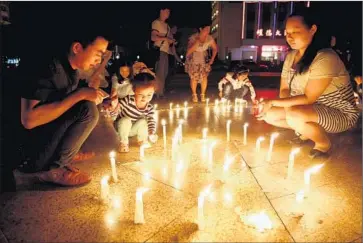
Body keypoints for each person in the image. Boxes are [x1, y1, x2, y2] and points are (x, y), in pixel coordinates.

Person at [256, 9, 360, 159]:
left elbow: (309, 98)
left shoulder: (325, 57)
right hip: (308, 109)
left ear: (312, 29)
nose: (289, 37)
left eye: (295, 31)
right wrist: (281, 105)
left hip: (339, 112)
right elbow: (284, 89)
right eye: (287, 32)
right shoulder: (291, 56)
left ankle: (323, 144)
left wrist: (273, 102)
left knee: (293, 115)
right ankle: (305, 130)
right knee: (269, 114)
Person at [15, 29, 109, 187]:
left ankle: (62, 159)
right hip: (26, 156)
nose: (99, 61)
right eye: (98, 53)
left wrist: (94, 97)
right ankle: (55, 169)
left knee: (87, 105)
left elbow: (65, 104)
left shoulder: (71, 71)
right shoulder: (46, 66)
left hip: (41, 144)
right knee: (87, 109)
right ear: (77, 48)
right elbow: (28, 120)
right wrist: (80, 95)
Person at [114, 73, 158, 153]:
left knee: (144, 121)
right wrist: (113, 108)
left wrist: (151, 132)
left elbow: (151, 120)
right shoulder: (128, 100)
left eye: (149, 95)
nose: (144, 98)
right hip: (121, 128)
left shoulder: (149, 108)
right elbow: (118, 109)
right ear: (134, 90)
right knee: (125, 120)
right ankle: (124, 143)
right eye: (141, 95)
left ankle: (142, 140)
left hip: (133, 129)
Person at [185, 24, 218, 103]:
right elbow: (188, 52)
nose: (207, 32)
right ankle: (194, 94)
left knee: (204, 77)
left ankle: (203, 94)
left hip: (204, 59)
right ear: (201, 29)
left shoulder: (209, 38)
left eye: (209, 30)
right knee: (194, 77)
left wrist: (212, 58)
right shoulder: (193, 37)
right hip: (194, 58)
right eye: (206, 29)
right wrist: (197, 43)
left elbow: (215, 48)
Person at [151, 6, 175, 98]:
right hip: (159, 50)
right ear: (161, 11)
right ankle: (158, 93)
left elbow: (169, 38)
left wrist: (171, 41)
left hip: (166, 51)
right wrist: (165, 38)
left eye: (169, 12)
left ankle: (160, 91)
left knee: (164, 72)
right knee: (160, 72)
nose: (168, 14)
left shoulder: (167, 25)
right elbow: (153, 37)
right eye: (167, 11)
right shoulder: (156, 23)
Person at [165, 25, 182, 93]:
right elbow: (173, 51)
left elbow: (174, 51)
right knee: (168, 73)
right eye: (174, 28)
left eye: (176, 29)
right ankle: (164, 88)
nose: (175, 30)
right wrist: (179, 60)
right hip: (168, 56)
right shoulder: (169, 36)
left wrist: (179, 60)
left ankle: (165, 88)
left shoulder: (171, 37)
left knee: (170, 73)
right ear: (170, 28)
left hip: (170, 57)